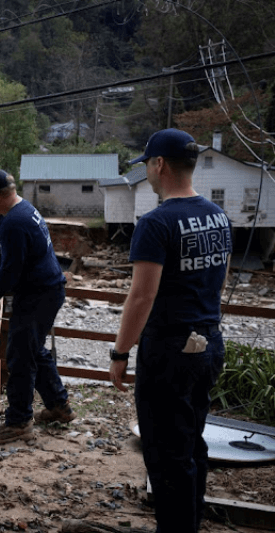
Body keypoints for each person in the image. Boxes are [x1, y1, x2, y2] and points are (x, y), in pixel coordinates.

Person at [109, 129, 231, 533]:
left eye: (146, 163)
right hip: (209, 341)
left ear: (159, 164)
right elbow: (220, 279)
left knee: (164, 454)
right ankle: (188, 524)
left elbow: (141, 297)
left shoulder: (157, 223)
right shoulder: (218, 215)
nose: (146, 171)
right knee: (192, 443)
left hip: (170, 351)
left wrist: (120, 352)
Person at [0, 168, 73, 446]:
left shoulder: (15, 222)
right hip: (45, 289)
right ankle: (58, 406)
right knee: (33, 349)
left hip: (39, 294)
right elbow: (3, 261)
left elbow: (9, 272)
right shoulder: (14, 213)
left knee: (20, 356)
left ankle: (18, 422)